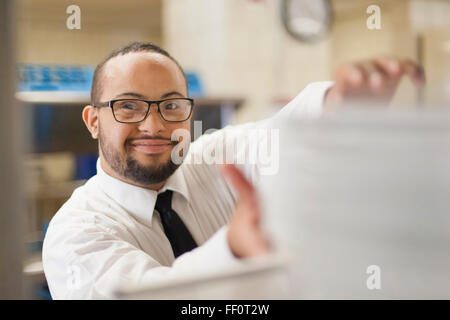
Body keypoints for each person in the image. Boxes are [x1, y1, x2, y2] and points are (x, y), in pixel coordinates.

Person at [42, 42, 425, 299]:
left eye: (171, 106)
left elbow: (277, 135)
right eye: (128, 106)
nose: (154, 125)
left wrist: (337, 108)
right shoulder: (74, 234)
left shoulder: (211, 160)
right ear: (93, 120)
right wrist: (232, 249)